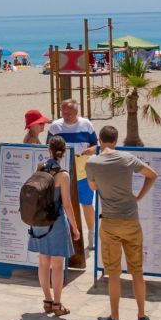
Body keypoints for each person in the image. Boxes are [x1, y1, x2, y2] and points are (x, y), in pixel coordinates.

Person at [85, 125, 158, 320]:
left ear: (100, 141)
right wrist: (139, 197)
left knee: (114, 273)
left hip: (110, 221)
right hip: (131, 220)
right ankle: (141, 315)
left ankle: (115, 317)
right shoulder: (127, 158)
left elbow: (93, 187)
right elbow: (152, 174)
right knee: (137, 270)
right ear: (116, 141)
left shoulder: (93, 163)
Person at [30, 136, 81, 316]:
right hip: (56, 222)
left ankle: (47, 300)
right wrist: (75, 227)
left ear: (48, 150)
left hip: (39, 221)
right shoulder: (63, 175)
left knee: (43, 261)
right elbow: (67, 204)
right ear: (64, 152)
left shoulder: (40, 168)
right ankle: (58, 304)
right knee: (57, 264)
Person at [46, 99, 98, 246]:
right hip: (62, 174)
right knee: (62, 204)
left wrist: (90, 150)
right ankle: (66, 235)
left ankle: (91, 234)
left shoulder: (86, 124)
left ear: (77, 112)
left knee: (87, 203)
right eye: (63, 112)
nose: (65, 115)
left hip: (83, 172)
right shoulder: (55, 126)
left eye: (68, 112)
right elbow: (48, 148)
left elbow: (96, 145)